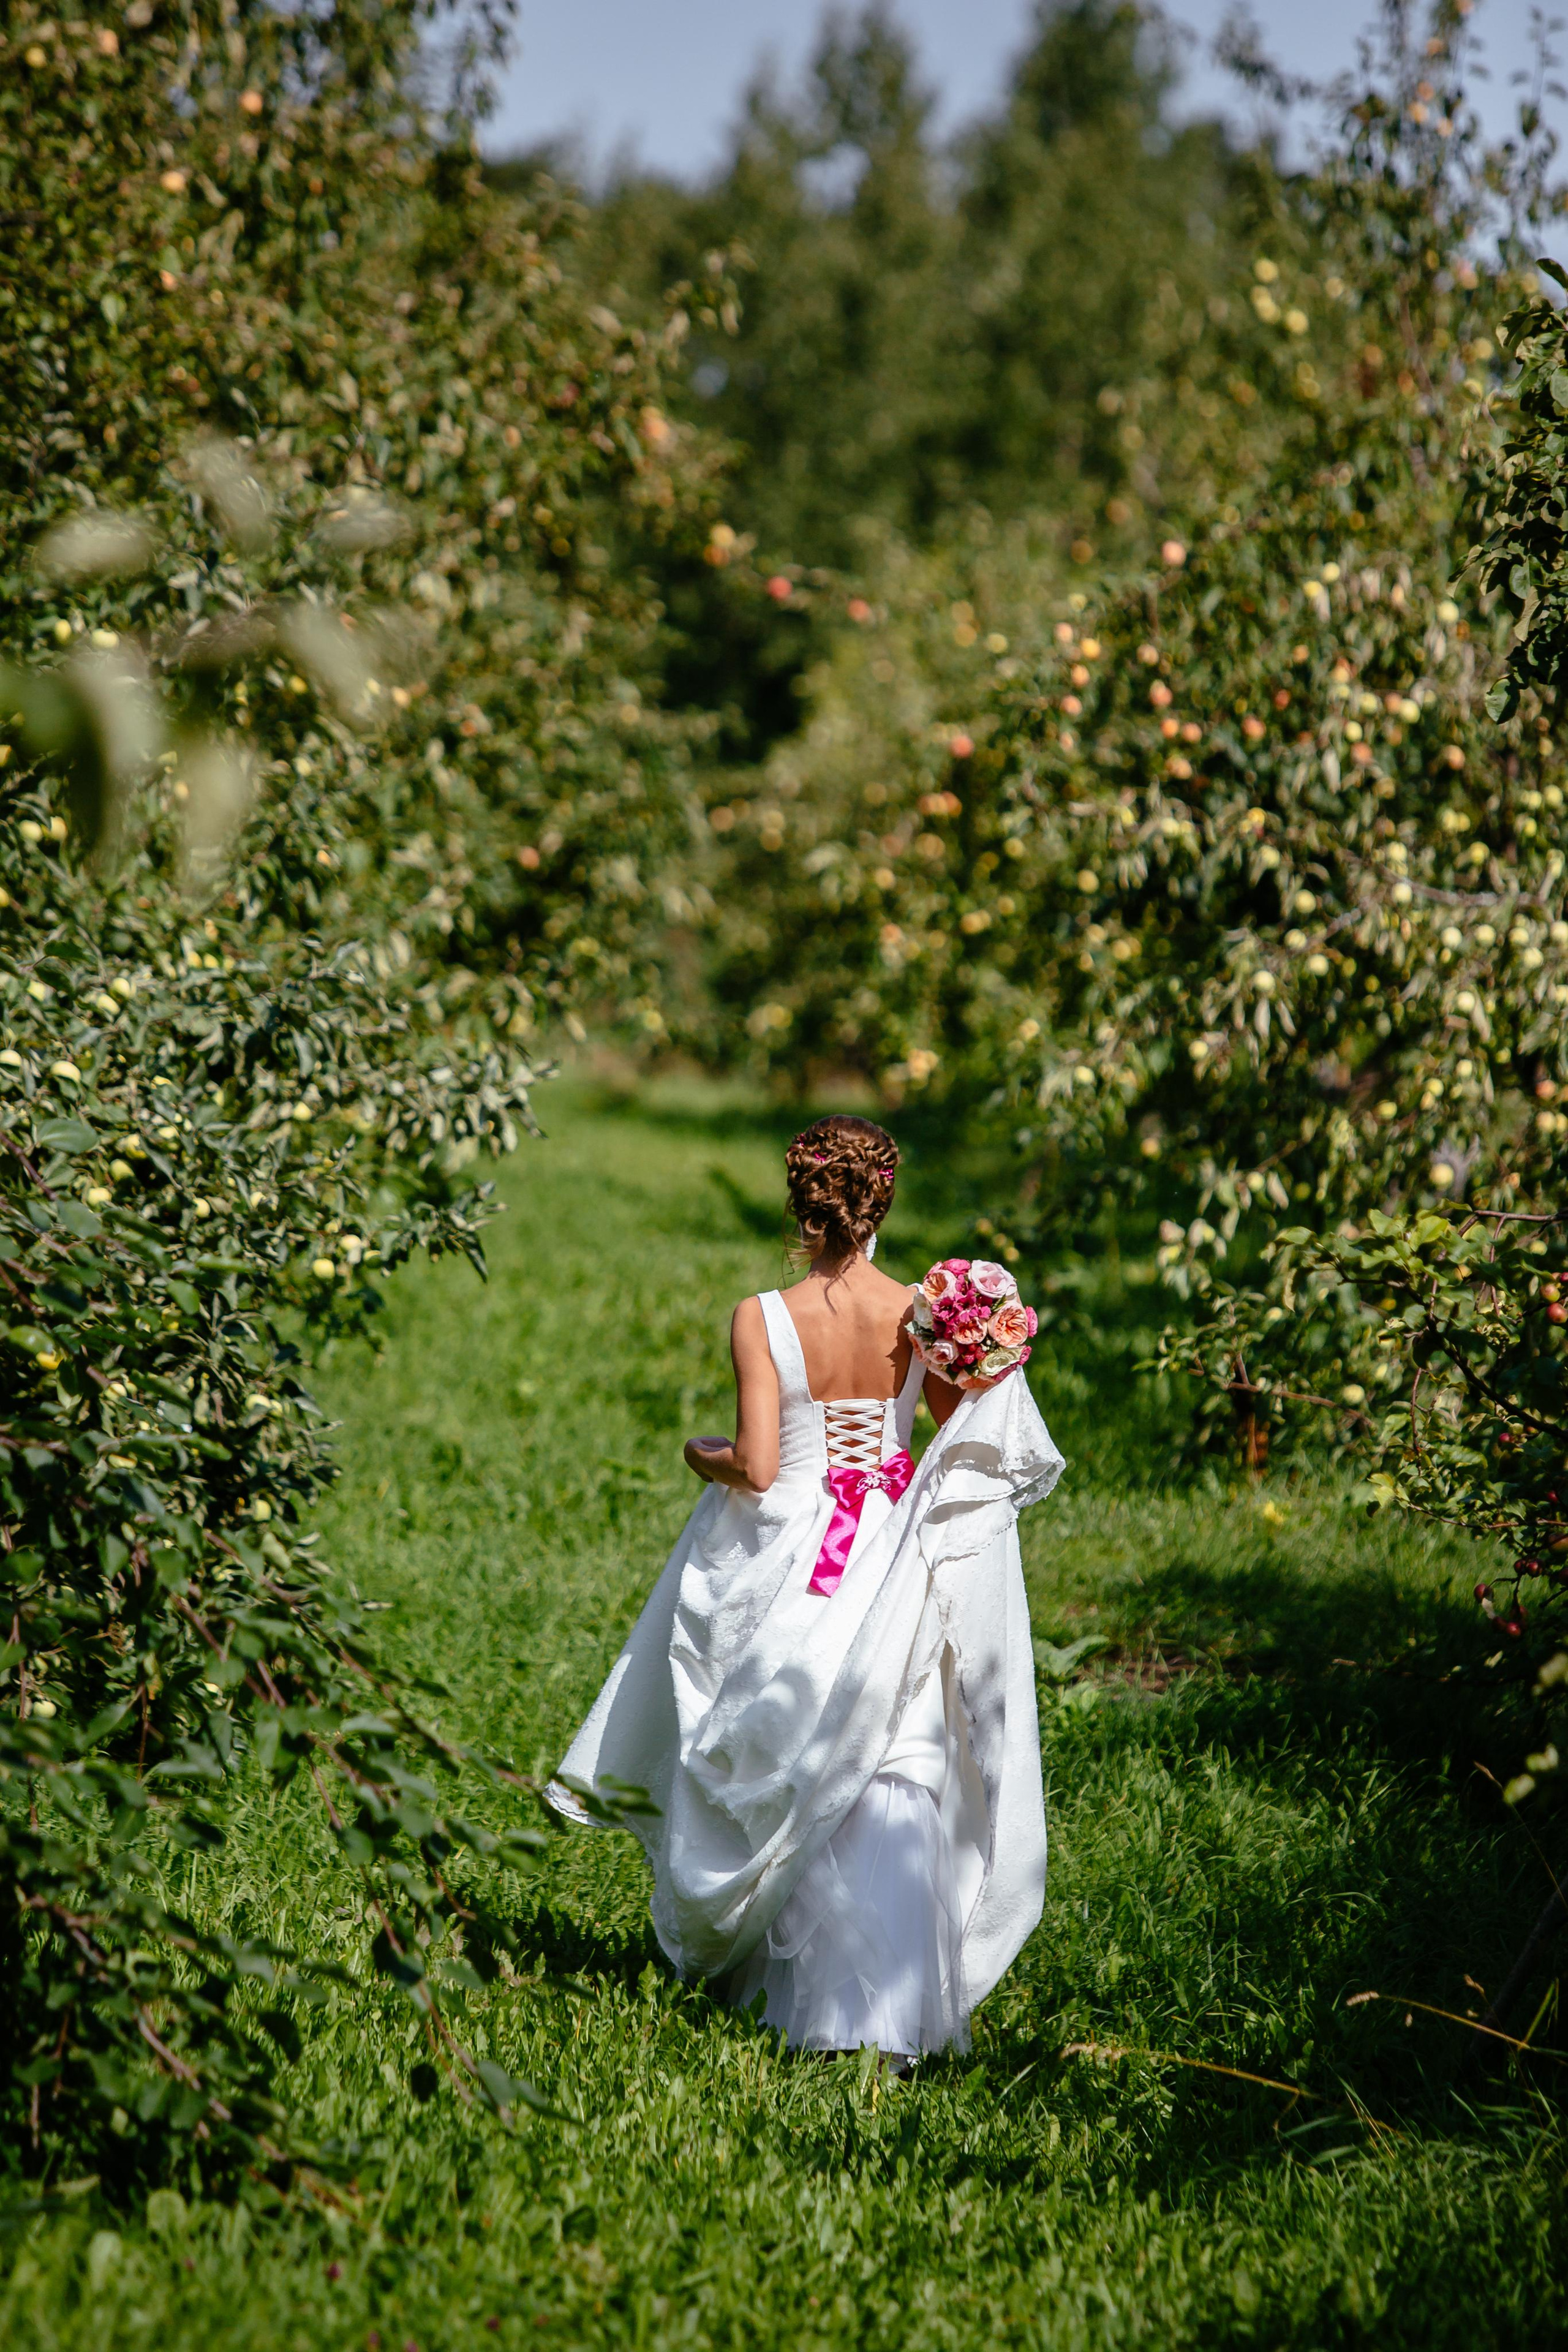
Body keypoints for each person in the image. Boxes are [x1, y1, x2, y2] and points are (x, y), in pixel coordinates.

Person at [547, 1114, 1063, 2065]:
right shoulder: (919, 1312)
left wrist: (696, 1453)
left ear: (801, 1202)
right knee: (891, 1742)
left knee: (788, 1732)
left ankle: (786, 1989)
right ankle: (888, 2008)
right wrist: (980, 1360)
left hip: (793, 1550)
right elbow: (947, 1433)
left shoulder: (762, 1316)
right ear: (883, 1200)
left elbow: (755, 1466)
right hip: (891, 1548)